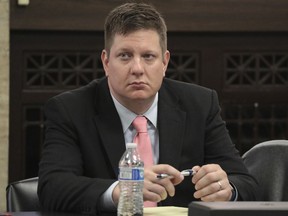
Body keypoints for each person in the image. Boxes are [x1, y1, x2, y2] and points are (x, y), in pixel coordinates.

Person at [37, 2, 259, 215]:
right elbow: (53, 187)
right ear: (106, 62)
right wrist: (122, 191)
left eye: (148, 56)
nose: (137, 69)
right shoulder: (70, 110)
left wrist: (226, 189)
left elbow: (246, 184)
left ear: (164, 63)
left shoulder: (199, 104)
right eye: (125, 56)